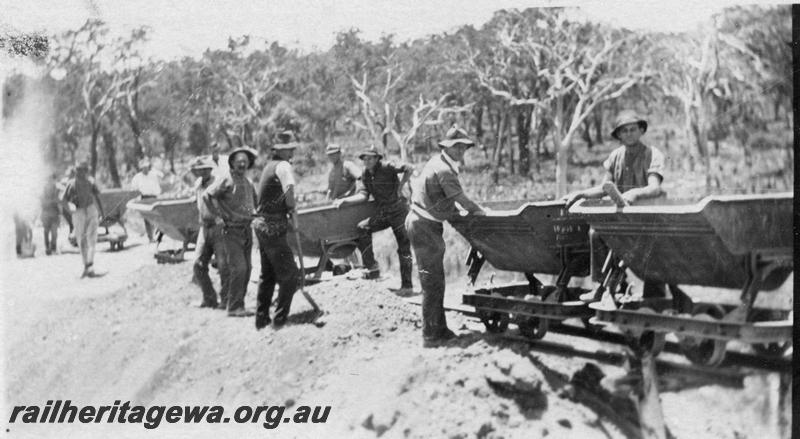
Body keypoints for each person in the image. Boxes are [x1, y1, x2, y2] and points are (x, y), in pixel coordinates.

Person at [563, 110, 666, 299]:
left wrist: (634, 194)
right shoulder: (615, 157)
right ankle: (606, 287)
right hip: (623, 217)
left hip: (648, 217)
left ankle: (655, 299)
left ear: (641, 130)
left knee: (653, 248)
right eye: (624, 131)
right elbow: (605, 187)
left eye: (633, 129)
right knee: (597, 232)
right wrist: (581, 193)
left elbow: (655, 188)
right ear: (619, 135)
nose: (629, 134)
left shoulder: (653, 154)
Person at [406, 125, 486, 346]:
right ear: (448, 147)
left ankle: (438, 329)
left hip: (423, 223)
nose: (461, 151)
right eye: (457, 147)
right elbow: (462, 200)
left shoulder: (437, 162)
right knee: (432, 283)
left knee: (434, 281)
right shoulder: (444, 170)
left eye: (463, 147)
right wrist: (482, 213)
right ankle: (431, 334)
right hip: (424, 226)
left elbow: (442, 200)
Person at [333, 145, 414, 293]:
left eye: (371, 158)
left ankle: (407, 286)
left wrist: (400, 186)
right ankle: (372, 267)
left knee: (404, 248)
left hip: (398, 212)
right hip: (384, 213)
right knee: (362, 228)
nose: (367, 161)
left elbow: (409, 168)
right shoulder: (365, 174)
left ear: (377, 158)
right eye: (365, 158)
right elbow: (363, 195)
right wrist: (346, 201)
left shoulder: (388, 167)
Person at [203, 146, 258, 317]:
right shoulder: (225, 179)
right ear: (232, 164)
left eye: (245, 161)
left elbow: (255, 204)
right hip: (231, 231)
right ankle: (233, 307)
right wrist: (219, 215)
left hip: (246, 230)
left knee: (248, 268)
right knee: (239, 268)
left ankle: (238, 304)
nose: (242, 164)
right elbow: (207, 195)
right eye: (238, 161)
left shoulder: (248, 182)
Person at [253, 141, 300, 329]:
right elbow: (289, 190)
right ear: (280, 151)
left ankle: (261, 319)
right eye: (288, 149)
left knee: (268, 274)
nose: (291, 152)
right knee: (290, 274)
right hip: (272, 225)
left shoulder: (269, 167)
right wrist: (291, 208)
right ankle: (279, 321)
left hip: (262, 224)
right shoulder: (283, 166)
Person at [191, 157, 228, 309]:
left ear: (211, 170)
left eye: (206, 169)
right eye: (201, 169)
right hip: (204, 227)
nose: (203, 172)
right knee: (198, 265)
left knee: (223, 266)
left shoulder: (217, 183)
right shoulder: (198, 184)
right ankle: (209, 298)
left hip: (218, 227)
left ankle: (226, 299)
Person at [63, 161, 105, 278]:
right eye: (79, 170)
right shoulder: (71, 184)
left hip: (90, 210)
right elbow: (63, 200)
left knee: (91, 239)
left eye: (84, 170)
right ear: (76, 171)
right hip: (79, 212)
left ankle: (89, 265)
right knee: (82, 240)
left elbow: (97, 196)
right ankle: (86, 265)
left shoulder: (90, 182)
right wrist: (70, 210)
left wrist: (102, 212)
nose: (82, 173)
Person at [130, 158, 163, 242]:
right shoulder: (138, 177)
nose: (146, 169)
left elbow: (161, 177)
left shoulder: (153, 175)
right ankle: (150, 237)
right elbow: (134, 188)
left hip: (153, 197)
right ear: (141, 168)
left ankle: (157, 234)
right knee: (147, 218)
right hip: (144, 198)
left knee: (156, 216)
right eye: (144, 168)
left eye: (147, 167)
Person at [41, 172, 61, 255]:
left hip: (54, 213)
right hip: (46, 213)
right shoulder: (44, 189)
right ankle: (47, 248)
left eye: (53, 179)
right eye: (50, 179)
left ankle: (53, 247)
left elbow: (58, 201)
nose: (51, 181)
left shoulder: (57, 189)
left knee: (54, 232)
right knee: (46, 231)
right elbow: (42, 202)